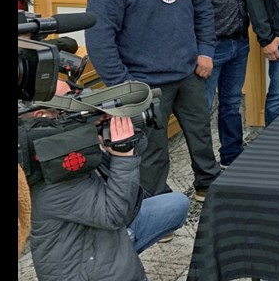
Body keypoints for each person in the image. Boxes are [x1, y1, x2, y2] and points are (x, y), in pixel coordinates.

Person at [86, 0, 222, 201]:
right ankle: (157, 202)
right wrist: (124, 85)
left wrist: (206, 51)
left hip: (188, 73)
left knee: (201, 134)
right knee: (153, 150)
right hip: (144, 83)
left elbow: (202, 8)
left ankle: (207, 185)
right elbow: (99, 38)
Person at [28, 115, 190, 281]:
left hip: (99, 229)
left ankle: (123, 249)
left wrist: (112, 130)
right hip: (84, 270)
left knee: (176, 205)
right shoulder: (53, 181)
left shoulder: (63, 151)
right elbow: (115, 214)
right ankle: (122, 256)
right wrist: (124, 156)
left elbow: (138, 147)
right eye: (62, 112)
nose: (74, 116)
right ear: (42, 117)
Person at [185, 0, 250, 168]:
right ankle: (205, 166)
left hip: (240, 41)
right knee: (203, 108)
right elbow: (190, 10)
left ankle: (231, 156)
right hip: (211, 48)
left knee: (232, 103)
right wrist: (202, 51)